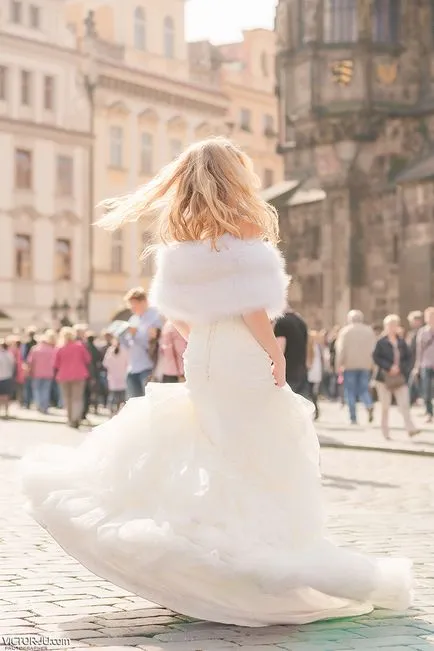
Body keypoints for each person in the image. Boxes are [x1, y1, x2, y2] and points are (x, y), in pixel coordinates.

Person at [21, 137, 412, 627]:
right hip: (239, 352)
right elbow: (252, 306)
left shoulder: (181, 237)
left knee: (214, 444)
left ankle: (206, 549)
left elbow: (176, 315)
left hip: (202, 353)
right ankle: (252, 554)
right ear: (231, 175)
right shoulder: (243, 226)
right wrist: (274, 353)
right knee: (255, 451)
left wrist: (205, 336)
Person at [373, 315, 419, 440]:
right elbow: (376, 358)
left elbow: (409, 358)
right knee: (385, 406)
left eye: (394, 325)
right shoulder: (381, 342)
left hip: (399, 377)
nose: (392, 328)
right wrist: (389, 367)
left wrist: (401, 369)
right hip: (383, 379)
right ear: (386, 327)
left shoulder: (402, 342)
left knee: (404, 403)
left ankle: (410, 428)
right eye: (390, 325)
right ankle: (385, 431)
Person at [335, 310, 376, 425]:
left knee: (350, 391)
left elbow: (341, 350)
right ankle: (368, 404)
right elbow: (374, 349)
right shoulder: (369, 331)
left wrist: (338, 365)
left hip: (349, 365)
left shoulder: (345, 331)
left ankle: (353, 417)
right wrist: (373, 365)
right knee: (363, 388)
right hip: (365, 365)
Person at [121, 287, 162, 398]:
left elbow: (153, 343)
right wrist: (122, 337)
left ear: (143, 301)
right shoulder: (133, 319)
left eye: (134, 304)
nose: (131, 308)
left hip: (148, 367)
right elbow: (129, 345)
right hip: (132, 368)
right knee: (133, 405)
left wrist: (135, 335)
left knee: (148, 402)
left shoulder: (155, 316)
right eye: (130, 305)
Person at [54, 327, 91, 428]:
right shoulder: (79, 346)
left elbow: (56, 364)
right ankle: (76, 418)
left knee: (67, 398)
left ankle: (70, 419)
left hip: (63, 376)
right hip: (79, 375)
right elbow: (88, 359)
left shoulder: (60, 348)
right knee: (77, 398)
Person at [274, 308, 308, 396]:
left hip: (286, 372)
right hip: (300, 370)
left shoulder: (281, 323)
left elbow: (280, 349)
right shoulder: (301, 322)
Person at [26, 330, 57, 414]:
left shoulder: (35, 349)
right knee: (45, 390)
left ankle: (39, 405)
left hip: (36, 373)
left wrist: (29, 371)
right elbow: (55, 362)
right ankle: (44, 406)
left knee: (37, 390)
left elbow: (30, 362)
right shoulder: (51, 349)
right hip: (48, 373)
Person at [414, 307, 434, 423]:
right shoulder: (422, 332)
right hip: (426, 364)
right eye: (430, 317)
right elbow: (419, 350)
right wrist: (417, 366)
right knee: (426, 390)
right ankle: (429, 413)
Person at [102, 338, 129, 415]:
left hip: (112, 377)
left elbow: (105, 364)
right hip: (122, 377)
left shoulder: (110, 350)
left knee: (113, 395)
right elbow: (128, 363)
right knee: (122, 397)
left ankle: (111, 411)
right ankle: (121, 412)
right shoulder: (124, 350)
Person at [406, 310, 423, 406]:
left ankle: (412, 401)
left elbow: (412, 348)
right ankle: (413, 400)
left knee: (414, 382)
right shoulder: (412, 333)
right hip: (412, 361)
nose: (411, 323)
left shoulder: (421, 332)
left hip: (418, 361)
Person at [0, 340, 15, 419]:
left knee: (3, 396)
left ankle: (4, 411)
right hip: (7, 377)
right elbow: (12, 365)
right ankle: (6, 411)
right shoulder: (10, 354)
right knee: (6, 395)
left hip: (2, 377)